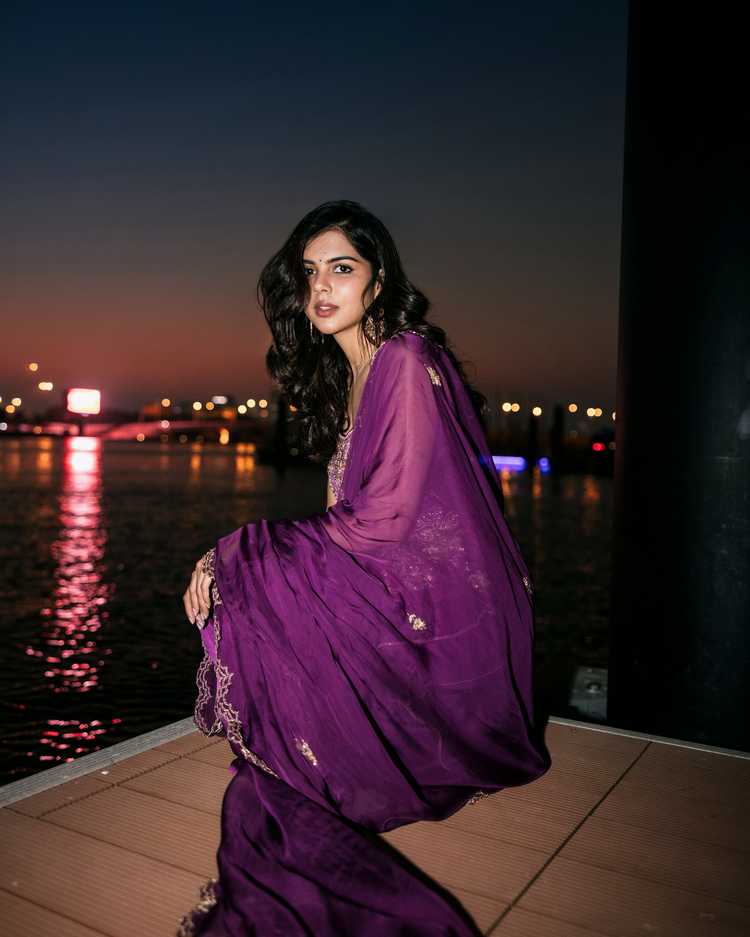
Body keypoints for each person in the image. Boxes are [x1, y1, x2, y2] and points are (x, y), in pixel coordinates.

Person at [177, 200, 551, 936]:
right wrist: (254, 559)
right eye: (309, 272)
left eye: (341, 268)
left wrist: (235, 552)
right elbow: (337, 523)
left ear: (379, 282)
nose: (321, 286)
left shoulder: (403, 358)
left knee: (253, 568)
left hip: (441, 606)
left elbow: (385, 519)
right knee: (264, 573)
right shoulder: (353, 371)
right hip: (400, 581)